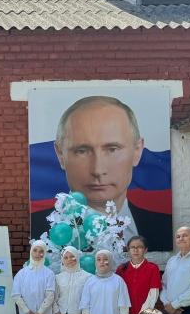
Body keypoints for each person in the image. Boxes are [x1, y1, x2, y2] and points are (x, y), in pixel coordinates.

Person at [31, 96, 172, 250]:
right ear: (60, 155)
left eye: (112, 149)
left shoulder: (166, 229)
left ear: (137, 151)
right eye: (82, 151)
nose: (98, 170)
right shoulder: (35, 232)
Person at [11, 240, 56, 314]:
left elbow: (50, 296)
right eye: (35, 250)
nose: (38, 254)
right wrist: (29, 313)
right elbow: (16, 295)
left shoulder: (49, 274)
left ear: (44, 253)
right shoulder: (21, 274)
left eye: (41, 251)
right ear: (31, 251)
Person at [116, 235, 162, 314]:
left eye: (139, 247)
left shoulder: (152, 268)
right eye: (132, 247)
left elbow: (153, 295)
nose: (135, 250)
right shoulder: (121, 269)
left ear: (145, 250)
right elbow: (118, 295)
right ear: (128, 250)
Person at [53, 245, 91, 314]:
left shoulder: (87, 277)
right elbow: (53, 300)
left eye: (72, 256)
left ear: (77, 258)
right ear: (62, 260)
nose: (69, 260)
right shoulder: (57, 278)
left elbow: (88, 302)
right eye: (66, 257)